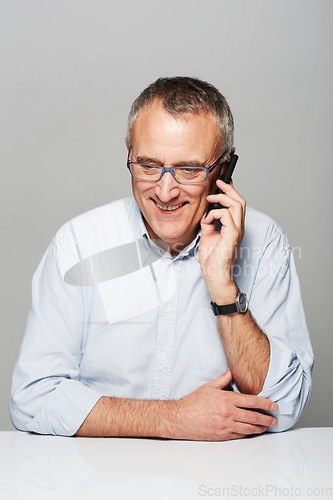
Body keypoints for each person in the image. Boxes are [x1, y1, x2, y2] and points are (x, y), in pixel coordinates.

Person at [10, 77, 313, 441]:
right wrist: (172, 419)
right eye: (149, 165)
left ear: (225, 167)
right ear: (128, 154)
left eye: (189, 169)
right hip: (97, 483)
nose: (166, 191)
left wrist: (223, 286)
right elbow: (33, 399)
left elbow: (283, 405)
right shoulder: (78, 243)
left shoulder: (264, 244)